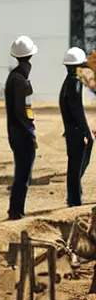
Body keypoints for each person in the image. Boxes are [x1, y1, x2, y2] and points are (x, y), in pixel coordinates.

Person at [4, 35, 38, 220]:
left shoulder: (15, 77)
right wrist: (31, 133)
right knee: (23, 174)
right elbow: (21, 111)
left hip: (17, 132)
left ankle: (16, 209)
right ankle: (16, 211)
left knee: (22, 173)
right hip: (22, 133)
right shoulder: (19, 80)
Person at [59, 46, 93, 206]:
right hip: (76, 131)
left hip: (71, 130)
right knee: (77, 164)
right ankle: (74, 199)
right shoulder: (75, 83)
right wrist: (86, 131)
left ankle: (75, 195)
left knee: (75, 163)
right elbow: (77, 109)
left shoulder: (67, 82)